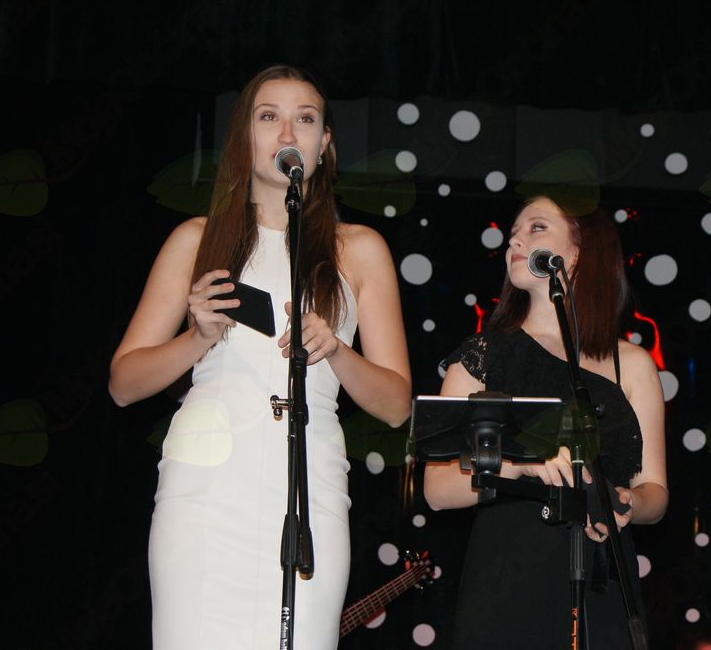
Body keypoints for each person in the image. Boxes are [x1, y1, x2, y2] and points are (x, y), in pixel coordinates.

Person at [109, 65, 412, 650]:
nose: (287, 133)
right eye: (268, 117)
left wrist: (335, 350)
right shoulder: (196, 240)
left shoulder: (360, 251)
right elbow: (124, 384)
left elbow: (397, 405)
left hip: (309, 492)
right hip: (204, 492)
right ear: (243, 137)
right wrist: (198, 337)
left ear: (324, 144)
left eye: (305, 119)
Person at [423, 195, 668, 649]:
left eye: (536, 227)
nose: (515, 240)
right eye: (513, 232)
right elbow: (437, 489)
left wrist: (626, 502)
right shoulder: (482, 355)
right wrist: (521, 463)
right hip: (505, 583)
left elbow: (654, 491)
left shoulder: (632, 364)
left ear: (577, 252)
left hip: (601, 579)